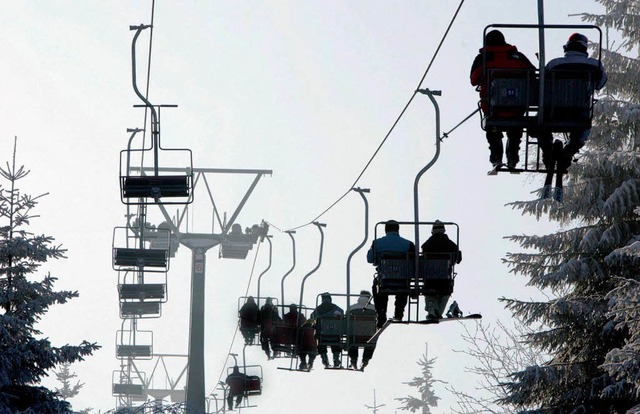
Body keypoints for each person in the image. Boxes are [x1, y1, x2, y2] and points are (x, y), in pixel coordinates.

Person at [537, 33, 607, 193]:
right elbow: (600, 84)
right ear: (584, 48)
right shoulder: (594, 65)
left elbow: (543, 85)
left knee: (541, 125)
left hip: (553, 112)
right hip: (579, 113)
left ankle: (548, 152)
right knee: (582, 132)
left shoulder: (555, 64)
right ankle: (567, 153)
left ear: (567, 47)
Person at [470, 29, 536, 169]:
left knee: (493, 129)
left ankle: (496, 157)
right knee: (514, 129)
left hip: (492, 107)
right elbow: (532, 73)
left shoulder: (482, 58)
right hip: (517, 107)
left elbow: (474, 80)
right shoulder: (517, 56)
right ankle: (512, 157)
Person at [367, 220, 415, 328]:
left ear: (385, 230)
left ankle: (381, 314)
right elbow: (414, 263)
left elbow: (369, 259)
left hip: (385, 280)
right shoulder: (408, 244)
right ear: (398, 230)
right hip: (402, 281)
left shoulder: (377, 243)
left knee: (377, 287)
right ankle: (399, 312)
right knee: (405, 284)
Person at [421, 220, 462, 320]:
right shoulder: (451, 245)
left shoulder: (426, 245)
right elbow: (458, 259)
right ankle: (438, 311)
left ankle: (432, 308)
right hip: (445, 277)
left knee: (430, 292)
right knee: (445, 293)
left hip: (430, 278)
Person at [310, 292, 345, 368]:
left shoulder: (318, 309)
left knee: (320, 341)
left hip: (322, 335)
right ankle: (336, 358)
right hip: (335, 335)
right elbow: (342, 316)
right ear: (330, 299)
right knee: (336, 340)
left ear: (322, 300)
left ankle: (324, 359)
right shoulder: (337, 308)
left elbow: (312, 318)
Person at [347, 290, 377, 370]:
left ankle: (353, 359)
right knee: (372, 340)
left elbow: (345, 319)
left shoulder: (352, 308)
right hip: (369, 336)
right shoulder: (375, 308)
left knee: (351, 340)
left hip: (354, 336)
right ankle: (365, 360)